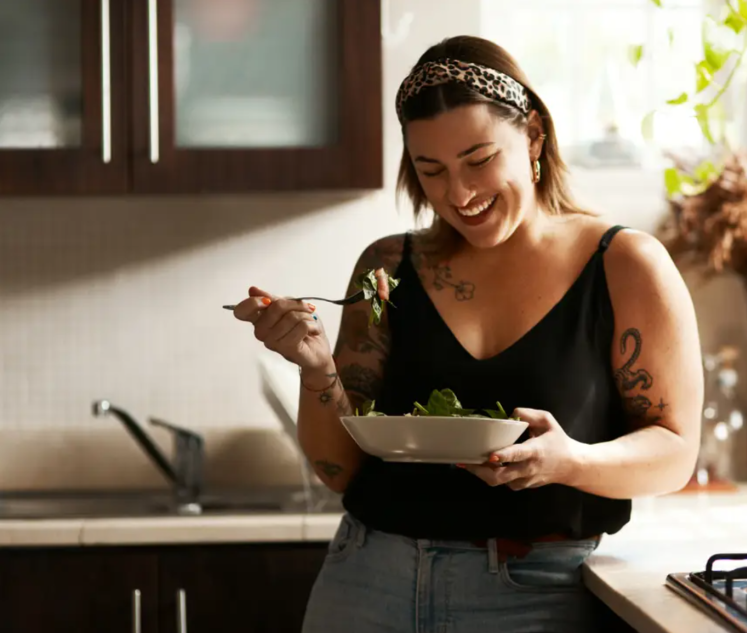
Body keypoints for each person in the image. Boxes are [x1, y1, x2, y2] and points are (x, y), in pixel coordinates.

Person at [231, 35, 703, 633]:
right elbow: (340, 472)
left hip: (537, 593)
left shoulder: (625, 264)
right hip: (365, 579)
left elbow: (674, 453)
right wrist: (316, 368)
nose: (460, 195)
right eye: (432, 171)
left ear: (533, 134)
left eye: (480, 161)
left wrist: (568, 463)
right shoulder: (388, 268)